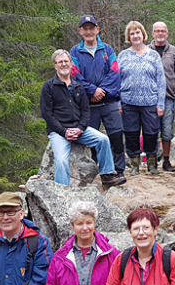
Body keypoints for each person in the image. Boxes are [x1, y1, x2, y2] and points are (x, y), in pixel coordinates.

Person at [41, 49, 125, 188]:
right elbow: (47, 114)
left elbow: (86, 112)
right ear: (55, 65)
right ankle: (63, 192)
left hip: (79, 129)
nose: (63, 64)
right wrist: (64, 132)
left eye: (66, 61)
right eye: (60, 62)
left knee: (103, 140)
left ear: (70, 64)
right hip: (59, 132)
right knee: (61, 160)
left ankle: (107, 175)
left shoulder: (78, 86)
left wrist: (80, 129)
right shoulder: (49, 86)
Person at [70, 15, 127, 178]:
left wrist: (101, 91)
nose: (88, 31)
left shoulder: (107, 50)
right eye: (85, 28)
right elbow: (75, 76)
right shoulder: (74, 52)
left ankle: (118, 170)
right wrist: (92, 91)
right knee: (94, 139)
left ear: (97, 30)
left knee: (116, 135)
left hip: (109, 101)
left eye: (91, 28)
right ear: (80, 31)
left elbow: (115, 73)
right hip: (88, 104)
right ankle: (97, 170)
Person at [117, 21, 167, 176]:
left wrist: (160, 103)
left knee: (151, 133)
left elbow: (161, 80)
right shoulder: (123, 56)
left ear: (143, 35)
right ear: (128, 37)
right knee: (131, 133)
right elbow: (116, 80)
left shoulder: (153, 55)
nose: (135, 36)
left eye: (138, 32)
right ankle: (134, 164)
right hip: (128, 102)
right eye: (132, 33)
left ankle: (152, 163)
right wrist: (118, 102)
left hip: (150, 102)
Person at [149, 22, 175, 172]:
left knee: (167, 131)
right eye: (157, 31)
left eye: (163, 31)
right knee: (151, 130)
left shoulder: (174, 52)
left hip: (168, 97)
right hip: (150, 98)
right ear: (152, 33)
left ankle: (167, 161)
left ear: (167, 33)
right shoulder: (146, 51)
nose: (160, 34)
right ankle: (152, 161)